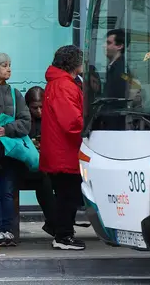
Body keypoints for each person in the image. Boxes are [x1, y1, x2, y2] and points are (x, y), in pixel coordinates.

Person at [0, 53, 31, 247]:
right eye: (4, 65)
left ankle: (8, 231)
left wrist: (7, 129)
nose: (9, 69)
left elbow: (25, 121)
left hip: (10, 151)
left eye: (9, 65)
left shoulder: (14, 93)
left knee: (8, 192)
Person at [40, 45, 86, 250]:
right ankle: (63, 235)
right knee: (68, 194)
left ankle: (58, 228)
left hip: (58, 148)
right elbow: (72, 122)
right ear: (74, 63)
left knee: (65, 193)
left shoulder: (58, 83)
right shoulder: (65, 85)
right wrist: (89, 129)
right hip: (65, 150)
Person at [22, 86, 56, 236]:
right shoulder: (22, 120)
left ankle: (55, 222)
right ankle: (54, 222)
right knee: (44, 180)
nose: (39, 112)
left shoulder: (52, 118)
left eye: (41, 107)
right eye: (34, 108)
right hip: (27, 167)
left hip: (49, 164)